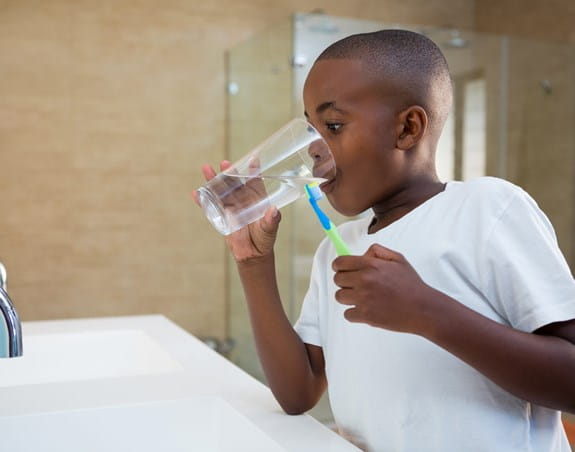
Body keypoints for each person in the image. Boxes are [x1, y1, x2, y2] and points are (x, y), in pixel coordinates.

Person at [194, 29, 575, 451]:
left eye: (333, 125)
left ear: (408, 128)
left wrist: (426, 311)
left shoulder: (486, 209)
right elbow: (297, 393)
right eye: (309, 129)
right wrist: (254, 262)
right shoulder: (337, 247)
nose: (313, 151)